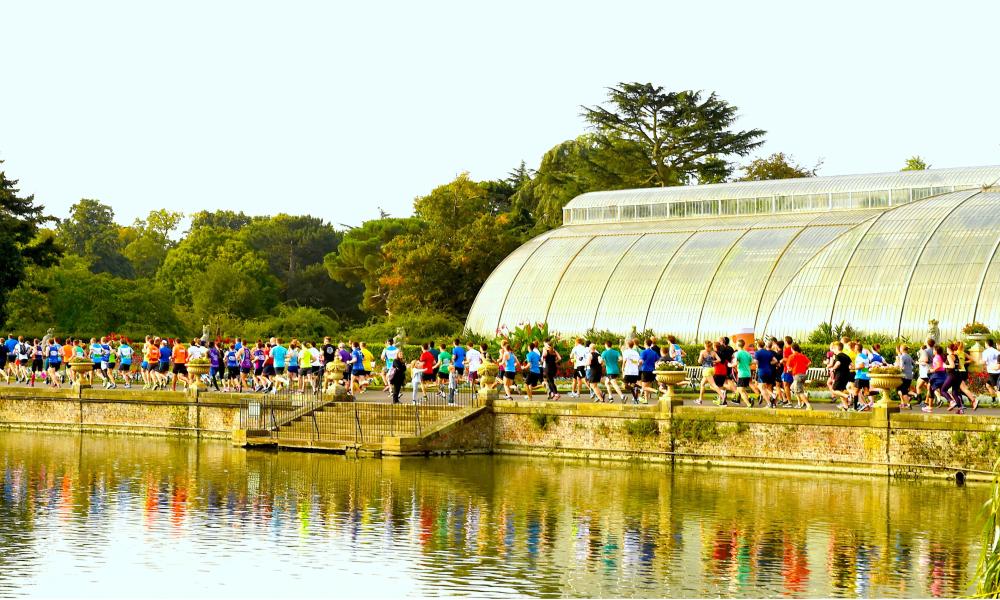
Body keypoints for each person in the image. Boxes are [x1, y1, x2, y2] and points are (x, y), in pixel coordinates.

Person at [787, 343, 812, 410]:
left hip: (797, 375)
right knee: (792, 388)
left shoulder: (791, 356)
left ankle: (808, 405)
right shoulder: (802, 355)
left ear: (792, 349)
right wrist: (805, 367)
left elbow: (788, 367)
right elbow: (809, 362)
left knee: (799, 392)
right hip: (803, 375)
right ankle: (802, 400)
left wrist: (790, 370)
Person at [754, 341, 778, 408]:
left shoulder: (757, 353)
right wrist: (769, 363)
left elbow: (756, 362)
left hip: (762, 371)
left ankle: (769, 402)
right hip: (769, 371)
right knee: (766, 387)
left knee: (761, 387)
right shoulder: (768, 352)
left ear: (758, 345)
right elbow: (775, 361)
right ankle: (772, 399)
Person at [830, 342, 853, 411]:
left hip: (840, 375)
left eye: (833, 349)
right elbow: (851, 366)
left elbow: (838, 363)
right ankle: (846, 407)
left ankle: (848, 396)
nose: (833, 351)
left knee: (834, 390)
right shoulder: (846, 356)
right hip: (846, 375)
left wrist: (833, 368)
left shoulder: (838, 356)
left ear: (837, 348)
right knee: (841, 391)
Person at [730, 339, 754, 408]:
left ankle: (749, 404)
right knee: (741, 389)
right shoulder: (747, 353)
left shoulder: (738, 353)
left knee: (740, 390)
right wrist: (745, 364)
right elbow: (751, 362)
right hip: (748, 373)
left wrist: (730, 365)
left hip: (742, 374)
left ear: (737, 345)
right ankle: (749, 398)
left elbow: (736, 363)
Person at [925, 345, 947, 413]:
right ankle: (930, 406)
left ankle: (930, 407)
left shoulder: (936, 357)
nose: (933, 351)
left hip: (937, 375)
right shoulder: (939, 356)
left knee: (932, 388)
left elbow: (939, 365)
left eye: (934, 350)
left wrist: (933, 370)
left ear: (936, 351)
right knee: (940, 390)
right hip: (941, 374)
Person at [697, 341, 719, 406]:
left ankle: (722, 392)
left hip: (706, 370)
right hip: (712, 369)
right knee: (702, 383)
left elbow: (699, 361)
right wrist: (713, 361)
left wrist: (701, 356)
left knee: (712, 385)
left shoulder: (703, 352)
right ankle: (700, 399)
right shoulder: (713, 352)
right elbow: (719, 360)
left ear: (706, 346)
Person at [638, 339, 658, 403]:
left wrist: (637, 364)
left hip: (645, 370)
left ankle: (656, 391)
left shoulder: (644, 352)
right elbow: (658, 361)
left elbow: (641, 361)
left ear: (645, 344)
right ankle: (646, 400)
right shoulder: (654, 352)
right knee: (647, 386)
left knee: (644, 387)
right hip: (652, 371)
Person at [896, 344, 914, 410]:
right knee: (903, 390)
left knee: (903, 391)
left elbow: (901, 367)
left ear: (901, 349)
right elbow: (913, 363)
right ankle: (905, 403)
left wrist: (896, 368)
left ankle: (907, 404)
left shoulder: (902, 357)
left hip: (904, 376)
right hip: (910, 376)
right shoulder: (909, 356)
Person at [984, 339, 1000, 406]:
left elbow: (997, 367)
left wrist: (988, 366)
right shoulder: (997, 352)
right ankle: (994, 400)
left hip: (993, 372)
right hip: (995, 372)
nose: (996, 346)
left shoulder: (985, 352)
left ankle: (997, 401)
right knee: (988, 385)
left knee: (997, 388)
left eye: (997, 345)